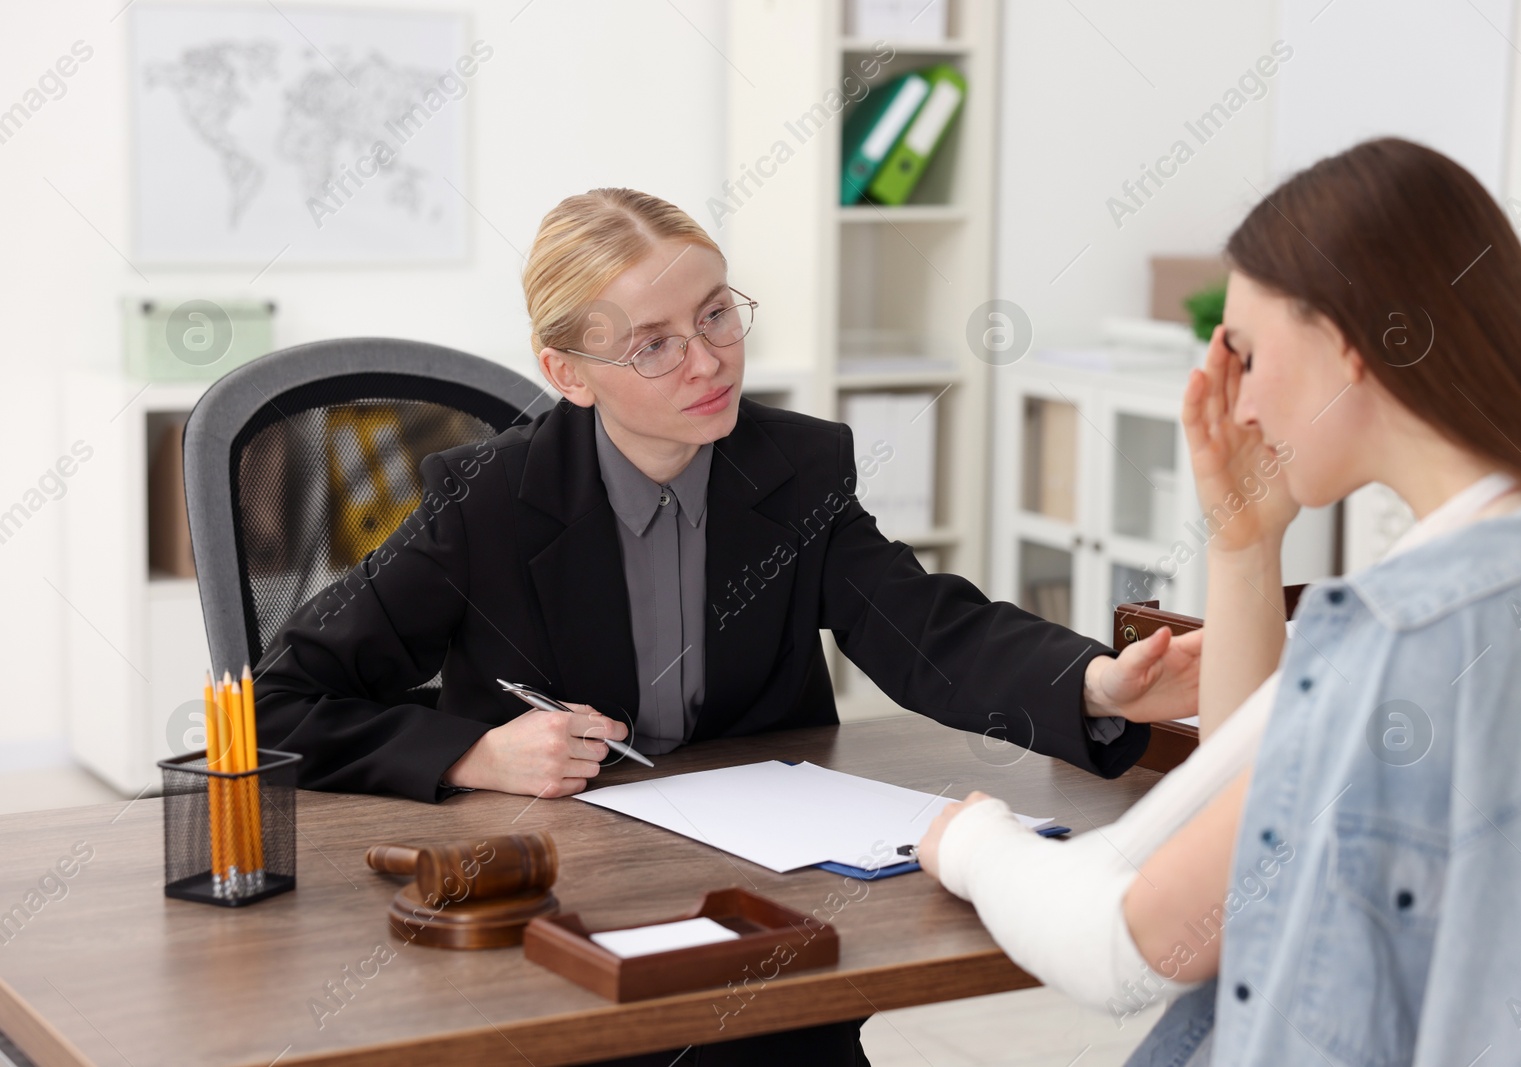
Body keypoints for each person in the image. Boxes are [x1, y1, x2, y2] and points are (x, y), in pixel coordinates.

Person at [253, 187, 1203, 1066]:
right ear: (567, 373)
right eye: (653, 344)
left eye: (714, 314)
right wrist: (472, 755)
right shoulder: (487, 502)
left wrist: (1094, 682)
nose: (707, 361)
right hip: (557, 926)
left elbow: (923, 627)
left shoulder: (797, 468)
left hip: (762, 913)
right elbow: (280, 701)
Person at [916, 136, 1521, 1066]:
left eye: (1243, 350)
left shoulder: (1414, 627)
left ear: (1348, 347)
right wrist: (1244, 541)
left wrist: (973, 842)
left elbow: (1132, 947)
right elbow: (1257, 814)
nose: (1235, 404)